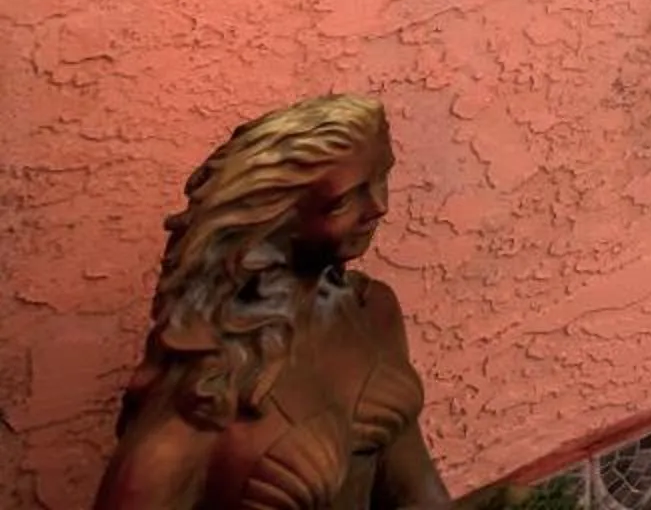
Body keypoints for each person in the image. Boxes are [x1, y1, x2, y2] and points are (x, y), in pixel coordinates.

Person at [96, 94, 453, 510]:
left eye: (382, 178)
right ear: (273, 217)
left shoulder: (371, 311)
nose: (380, 206)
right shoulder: (208, 395)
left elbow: (418, 492)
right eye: (344, 199)